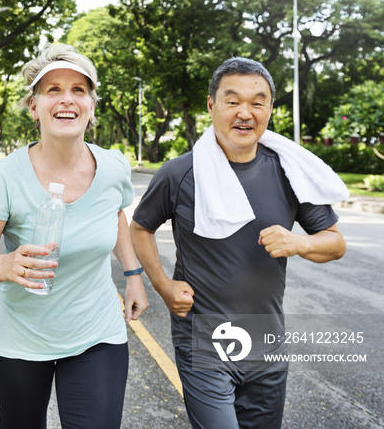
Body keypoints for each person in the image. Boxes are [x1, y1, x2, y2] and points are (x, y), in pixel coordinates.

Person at [130, 57, 348, 429]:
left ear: (270, 110)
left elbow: (335, 243)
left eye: (257, 102)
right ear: (212, 105)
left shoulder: (289, 171)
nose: (245, 113)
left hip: (267, 341)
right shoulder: (179, 173)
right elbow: (140, 228)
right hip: (204, 339)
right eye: (233, 101)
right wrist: (163, 285)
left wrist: (298, 243)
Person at [0, 43, 148, 429]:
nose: (67, 100)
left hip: (97, 333)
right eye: (53, 90)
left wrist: (133, 276)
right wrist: (6, 264)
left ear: (91, 106)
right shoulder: (6, 176)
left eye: (79, 90)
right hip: (19, 340)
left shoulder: (112, 166)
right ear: (34, 106)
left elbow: (114, 215)